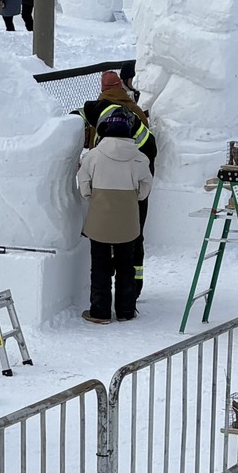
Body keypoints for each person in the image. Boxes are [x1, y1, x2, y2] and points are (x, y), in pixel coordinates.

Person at [75, 110, 153, 323]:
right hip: (128, 222)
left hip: (99, 221)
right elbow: (145, 190)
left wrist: (96, 197)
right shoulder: (140, 158)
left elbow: (84, 188)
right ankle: (126, 311)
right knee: (126, 266)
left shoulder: (92, 156)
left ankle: (100, 312)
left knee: (100, 266)